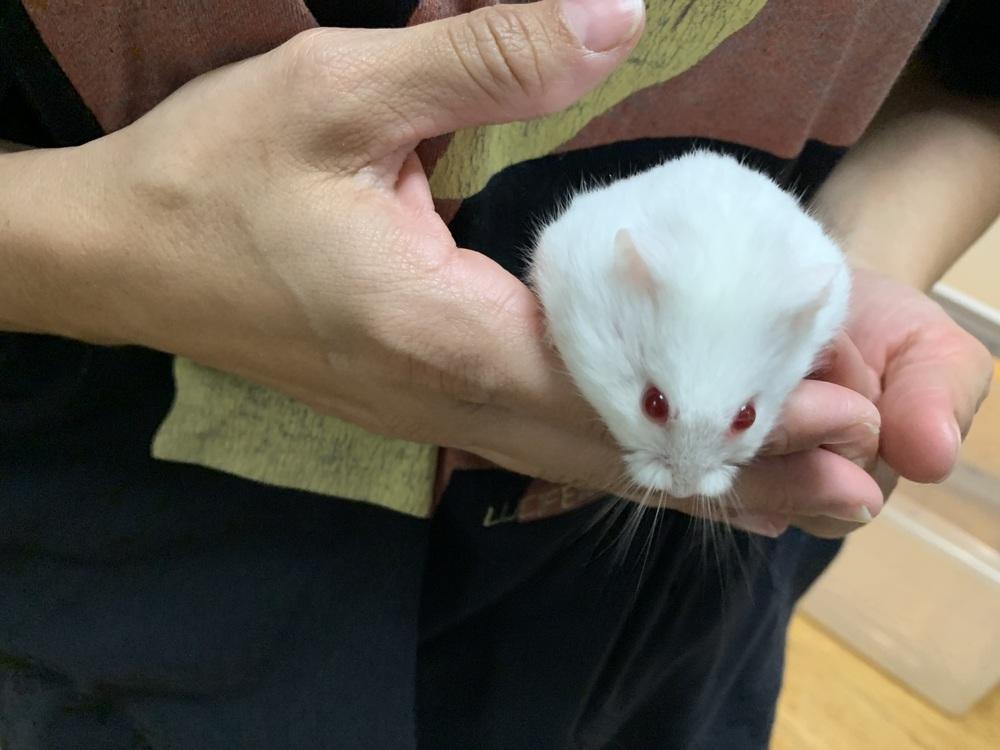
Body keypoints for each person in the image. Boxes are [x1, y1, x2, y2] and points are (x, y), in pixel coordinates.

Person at [0, 0, 994, 747]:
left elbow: (975, 76)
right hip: (109, 561)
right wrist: (109, 254)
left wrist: (852, 258)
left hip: (643, 627)